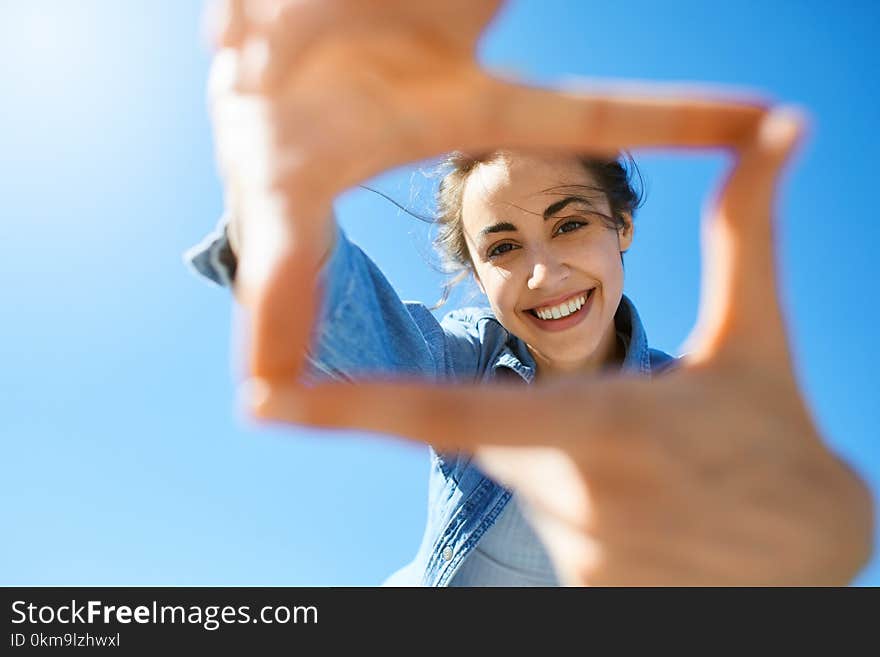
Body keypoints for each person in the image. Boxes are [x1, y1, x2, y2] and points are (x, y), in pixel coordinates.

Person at [188, 0, 873, 585]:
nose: (543, 276)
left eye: (570, 223)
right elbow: (342, 313)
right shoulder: (467, 363)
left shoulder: (687, 412)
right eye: (504, 247)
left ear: (623, 225)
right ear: (478, 276)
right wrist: (278, 194)